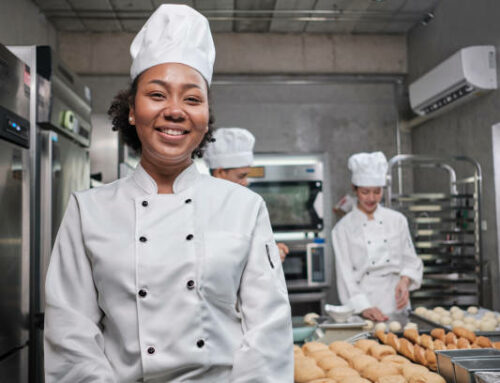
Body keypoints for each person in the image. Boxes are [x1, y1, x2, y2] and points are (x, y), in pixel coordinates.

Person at [44, 5, 293, 382]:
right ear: (132, 109)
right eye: (157, 94)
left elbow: (268, 333)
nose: (175, 111)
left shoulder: (245, 208)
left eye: (192, 99)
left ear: (206, 116)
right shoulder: (88, 210)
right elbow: (70, 333)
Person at [331, 152, 423, 322]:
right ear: (355, 189)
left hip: (397, 303)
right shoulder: (342, 229)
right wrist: (364, 307)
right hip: (363, 303)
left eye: (377, 192)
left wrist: (405, 281)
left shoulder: (397, 220)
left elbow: (410, 260)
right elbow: (346, 276)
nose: (372, 198)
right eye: (365, 192)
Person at [204, 127, 289, 262]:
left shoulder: (241, 205)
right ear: (220, 173)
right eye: (241, 176)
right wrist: (267, 256)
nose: (246, 182)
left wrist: (270, 249)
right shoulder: (202, 207)